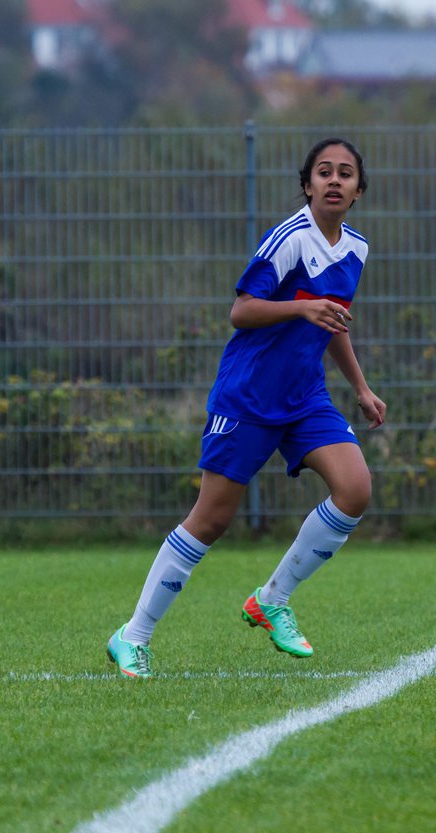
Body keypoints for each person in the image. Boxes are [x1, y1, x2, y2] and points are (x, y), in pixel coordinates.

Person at [106, 137, 387, 678]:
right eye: (323, 172)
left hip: (305, 396)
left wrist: (361, 386)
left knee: (355, 489)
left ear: (357, 191)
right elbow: (241, 311)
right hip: (250, 395)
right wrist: (301, 310)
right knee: (211, 520)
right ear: (307, 185)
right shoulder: (288, 239)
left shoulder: (356, 248)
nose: (334, 180)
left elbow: (331, 322)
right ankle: (132, 636)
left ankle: (272, 599)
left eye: (345, 174)